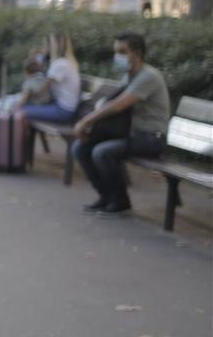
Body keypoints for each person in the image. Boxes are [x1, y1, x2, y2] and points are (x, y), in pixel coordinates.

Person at [71, 32, 171, 218]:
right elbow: (110, 104)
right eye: (116, 51)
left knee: (103, 152)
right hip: (132, 134)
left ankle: (120, 202)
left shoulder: (148, 76)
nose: (118, 55)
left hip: (151, 138)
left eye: (122, 51)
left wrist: (86, 121)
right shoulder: (129, 76)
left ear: (137, 53)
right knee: (80, 147)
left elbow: (118, 106)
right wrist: (91, 130)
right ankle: (106, 196)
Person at [0, 57, 54, 125]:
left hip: (25, 102)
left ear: (26, 72)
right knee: (1, 101)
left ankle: (0, 129)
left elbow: (23, 100)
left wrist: (9, 109)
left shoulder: (29, 83)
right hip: (39, 103)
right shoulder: (43, 78)